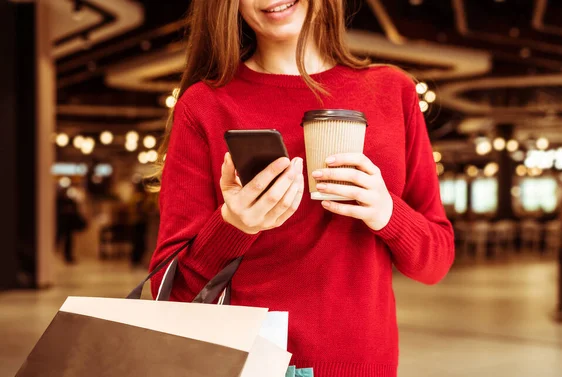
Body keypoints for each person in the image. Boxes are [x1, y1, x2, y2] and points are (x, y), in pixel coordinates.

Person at [148, 1, 454, 376]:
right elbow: (171, 291)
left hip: (364, 362)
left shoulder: (393, 91)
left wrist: (386, 212)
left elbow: (435, 262)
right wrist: (233, 224)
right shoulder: (205, 104)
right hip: (247, 361)